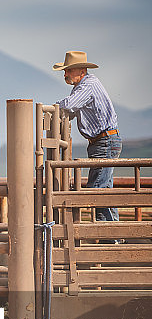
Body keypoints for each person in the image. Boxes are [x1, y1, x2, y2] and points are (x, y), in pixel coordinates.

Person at [53, 50, 122, 222]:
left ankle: (108, 235)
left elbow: (68, 106)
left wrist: (53, 109)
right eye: (65, 71)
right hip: (103, 141)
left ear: (82, 71)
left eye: (69, 70)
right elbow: (72, 108)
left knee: (96, 189)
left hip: (104, 141)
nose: (65, 74)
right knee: (103, 187)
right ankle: (113, 235)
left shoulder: (87, 85)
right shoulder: (84, 86)